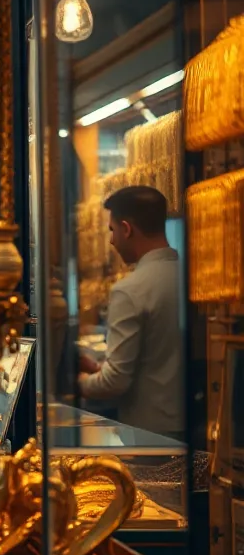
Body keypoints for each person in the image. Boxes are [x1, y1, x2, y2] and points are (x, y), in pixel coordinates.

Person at [78, 186, 184, 437]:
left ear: (127, 229)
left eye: (112, 231)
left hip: (149, 434)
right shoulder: (192, 279)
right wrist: (99, 368)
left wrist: (77, 383)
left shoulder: (130, 290)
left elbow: (115, 382)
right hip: (192, 426)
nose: (112, 241)